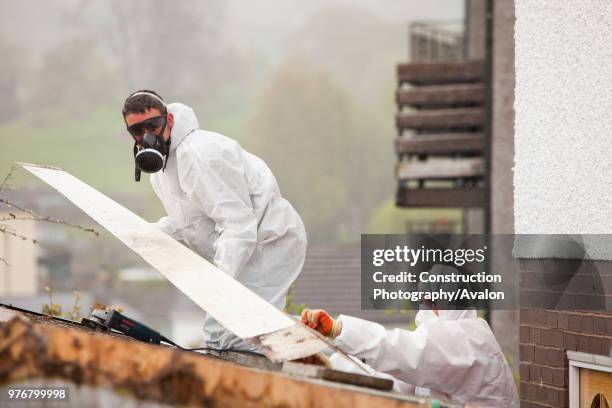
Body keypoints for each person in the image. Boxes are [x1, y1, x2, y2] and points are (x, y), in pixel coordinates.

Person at [122, 90, 307, 349]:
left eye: (152, 125)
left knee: (243, 338)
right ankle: (319, 339)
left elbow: (238, 226)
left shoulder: (199, 155)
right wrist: (149, 233)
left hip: (269, 242)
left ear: (170, 121)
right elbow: (191, 221)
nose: (146, 136)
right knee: (228, 337)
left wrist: (218, 289)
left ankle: (333, 347)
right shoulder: (161, 173)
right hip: (243, 247)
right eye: (137, 131)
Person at [301, 265, 519, 408]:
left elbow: (402, 351)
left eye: (427, 301)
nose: (422, 309)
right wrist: (328, 366)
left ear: (441, 304)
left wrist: (339, 330)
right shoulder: (449, 339)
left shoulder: (467, 340)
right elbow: (389, 379)